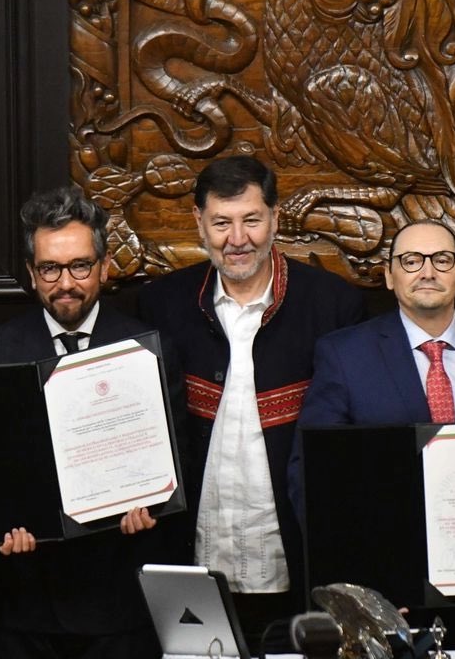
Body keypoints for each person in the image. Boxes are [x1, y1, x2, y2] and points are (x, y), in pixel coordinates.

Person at [136, 155, 365, 647]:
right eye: (221, 223)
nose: (237, 239)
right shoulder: (163, 304)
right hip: (193, 557)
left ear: (275, 219)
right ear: (199, 223)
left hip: (295, 561)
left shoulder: (333, 305)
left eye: (251, 220)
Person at [289, 218, 455, 648]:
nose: (428, 271)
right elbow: (312, 476)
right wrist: (360, 588)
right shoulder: (344, 356)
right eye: (411, 260)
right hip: (386, 595)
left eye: (442, 259)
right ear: (389, 275)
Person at [0, 186, 183, 659]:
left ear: (104, 267)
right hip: (23, 606)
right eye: (50, 268)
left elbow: (179, 460)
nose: (66, 282)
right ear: (31, 274)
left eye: (80, 266)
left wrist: (152, 507)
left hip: (119, 605)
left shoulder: (147, 349)